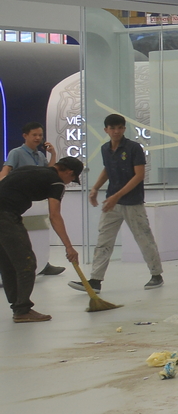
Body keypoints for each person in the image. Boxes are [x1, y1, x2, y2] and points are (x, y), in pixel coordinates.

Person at [69, 113, 164, 293]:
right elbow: (108, 169)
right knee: (103, 240)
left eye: (120, 128)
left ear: (124, 129)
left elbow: (139, 176)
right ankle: (95, 280)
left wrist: (116, 196)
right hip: (112, 203)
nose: (116, 131)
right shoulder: (105, 149)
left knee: (144, 238)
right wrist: (95, 188)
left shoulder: (134, 148)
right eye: (112, 128)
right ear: (106, 130)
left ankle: (156, 274)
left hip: (132, 202)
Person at [0, 156, 84, 322]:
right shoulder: (56, 182)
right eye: (72, 179)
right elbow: (54, 215)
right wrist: (69, 247)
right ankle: (22, 310)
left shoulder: (32, 170)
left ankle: (18, 307)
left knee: (8, 263)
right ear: (69, 172)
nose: (69, 182)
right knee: (27, 263)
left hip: (5, 214)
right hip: (6, 216)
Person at [1, 122, 65, 276]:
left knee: (39, 232)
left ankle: (43, 263)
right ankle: (14, 269)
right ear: (25, 136)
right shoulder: (16, 153)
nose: (38, 138)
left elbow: (49, 173)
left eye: (40, 135)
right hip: (19, 200)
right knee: (19, 234)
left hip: (36, 201)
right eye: (34, 135)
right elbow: (6, 171)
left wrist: (53, 154)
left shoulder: (40, 155)